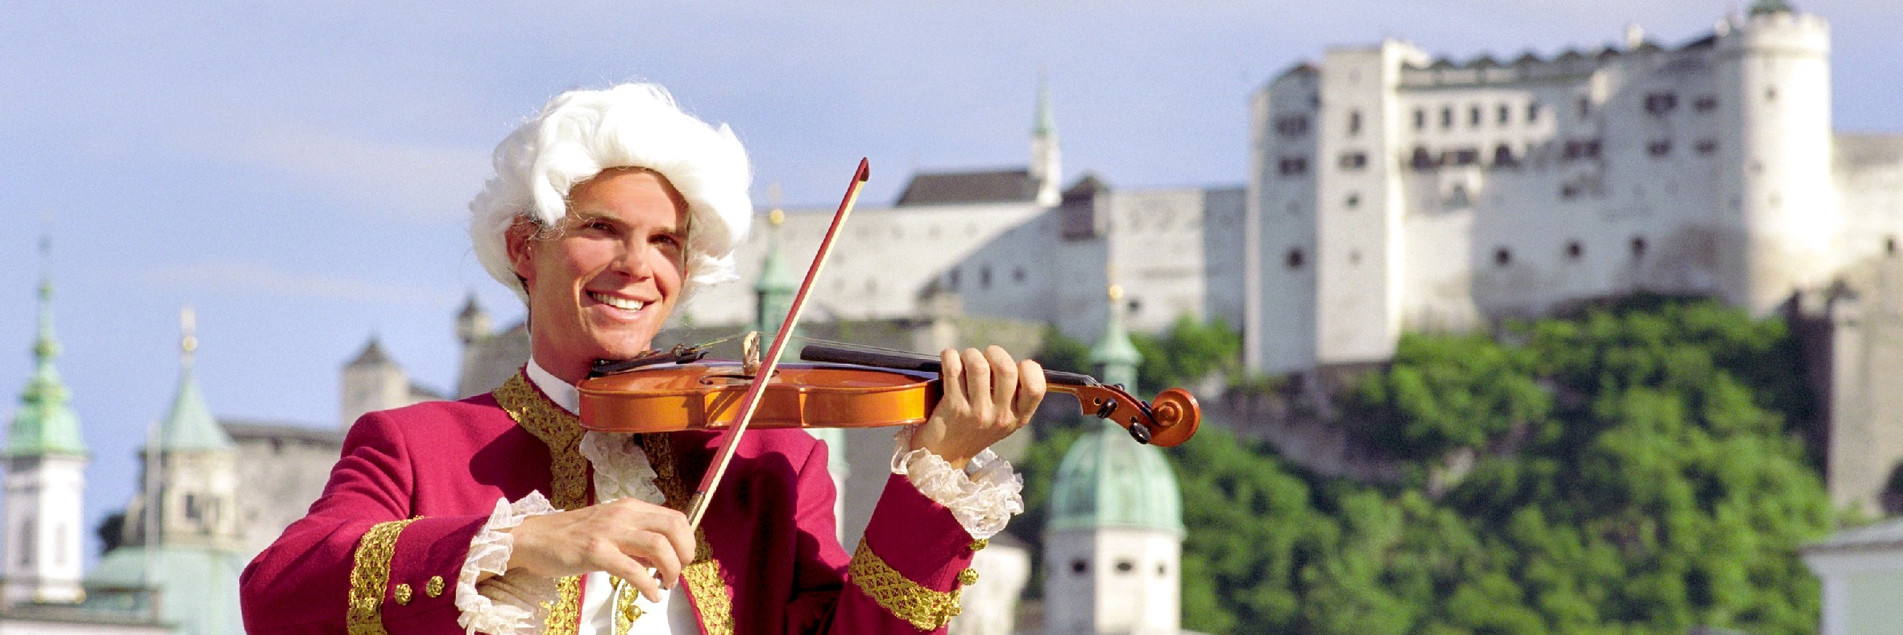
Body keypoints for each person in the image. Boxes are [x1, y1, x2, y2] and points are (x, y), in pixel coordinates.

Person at [239, 83, 1047, 634]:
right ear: (527, 246)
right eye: (601, 230)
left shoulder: (767, 460)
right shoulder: (416, 442)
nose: (638, 266)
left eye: (665, 242)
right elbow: (277, 593)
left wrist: (936, 477)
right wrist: (526, 541)